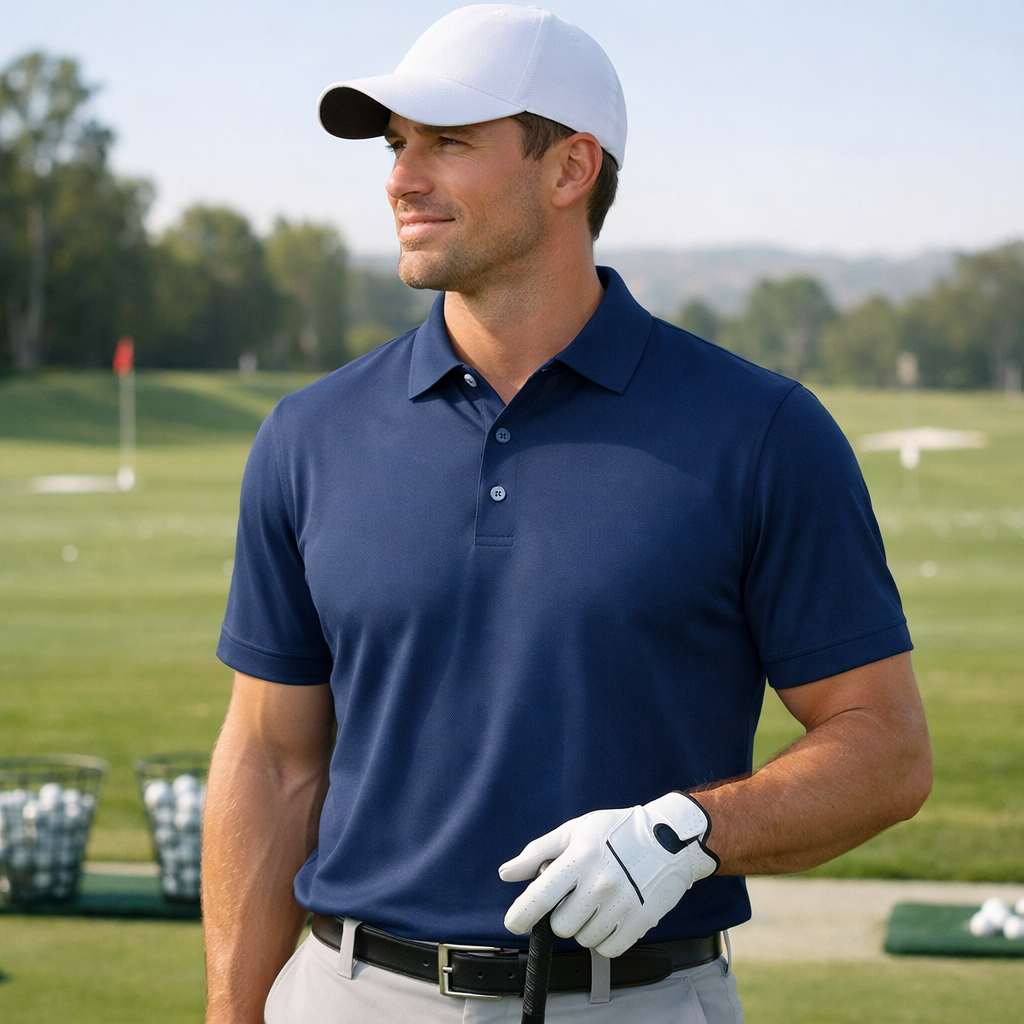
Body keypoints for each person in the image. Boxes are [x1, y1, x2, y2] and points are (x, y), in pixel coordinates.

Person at [202, 6, 932, 1023]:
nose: (401, 177)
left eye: (448, 142)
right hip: (347, 995)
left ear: (568, 168)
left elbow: (885, 747)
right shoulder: (307, 435)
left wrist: (687, 831)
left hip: (633, 1001)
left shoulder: (761, 430)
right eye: (397, 143)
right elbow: (274, 759)